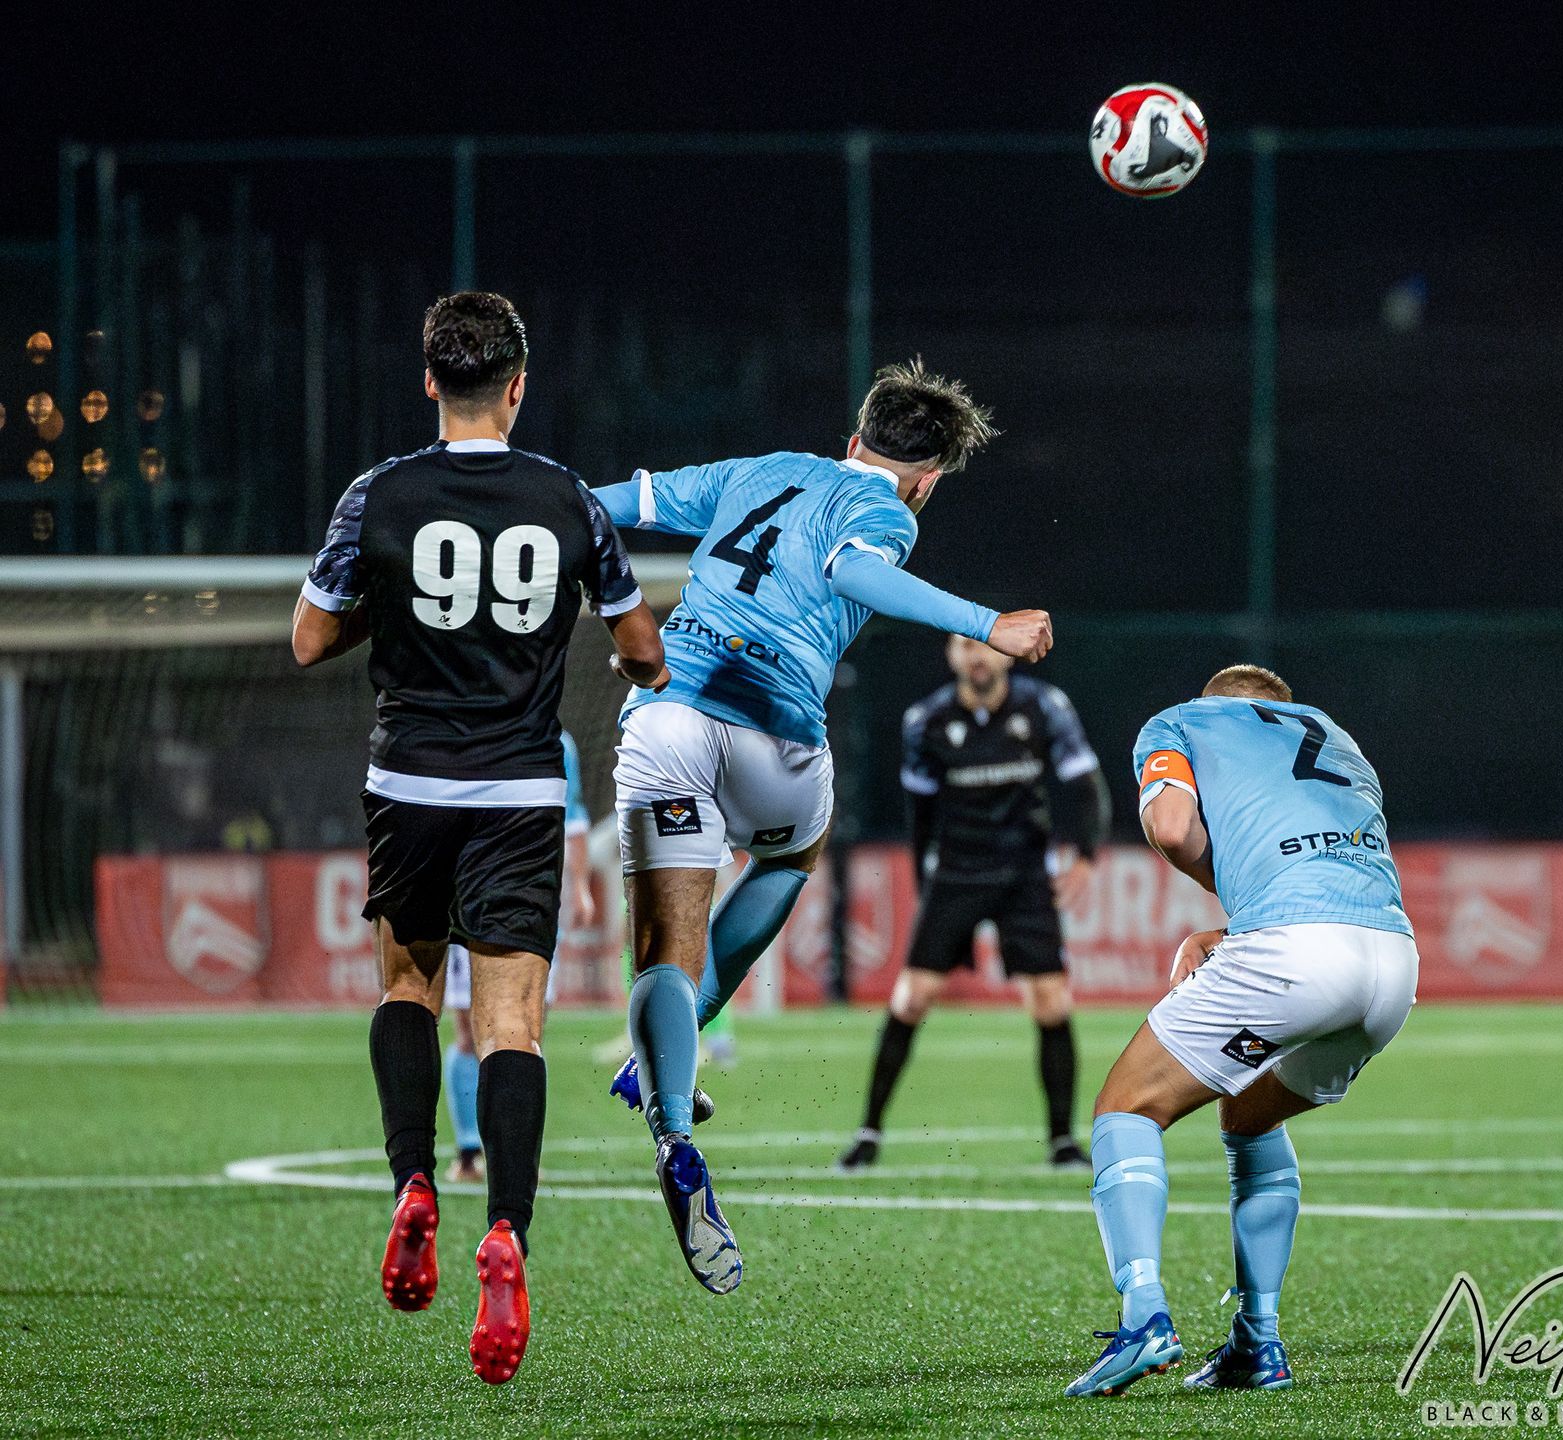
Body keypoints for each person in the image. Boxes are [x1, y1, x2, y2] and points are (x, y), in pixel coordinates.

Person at [593, 358, 1053, 1295]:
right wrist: (987, 622)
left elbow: (609, 506)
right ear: (926, 481)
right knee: (791, 853)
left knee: (662, 952)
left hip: (671, 715)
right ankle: (673, 1052)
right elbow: (853, 570)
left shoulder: (756, 471)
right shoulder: (887, 509)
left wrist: (511, 515)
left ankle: (672, 1127)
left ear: (852, 439)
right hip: (779, 741)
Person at [291, 291, 667, 1384]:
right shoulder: (566, 498)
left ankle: (415, 1182)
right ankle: (507, 1230)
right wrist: (628, 659)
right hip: (518, 791)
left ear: (428, 382)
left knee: (409, 989)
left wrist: (392, 607)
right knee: (512, 1025)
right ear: (518, 386)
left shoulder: (378, 492)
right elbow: (643, 648)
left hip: (408, 782)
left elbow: (309, 639)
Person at [1064, 665, 1418, 1398]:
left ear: (1216, 703)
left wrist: (1230, 902)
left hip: (1294, 955)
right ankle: (1258, 1341)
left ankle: (1143, 1316)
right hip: (1392, 966)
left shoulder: (1183, 721)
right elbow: (1330, 875)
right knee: (1249, 1115)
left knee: (1127, 1107)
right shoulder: (1338, 738)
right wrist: (1233, 929)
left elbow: (1171, 828)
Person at [840, 634, 1110, 1172]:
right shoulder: (926, 720)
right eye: (965, 646)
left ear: (1007, 653)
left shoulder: (1044, 707)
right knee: (911, 999)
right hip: (957, 873)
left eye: (985, 646)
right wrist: (924, 884)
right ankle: (867, 1134)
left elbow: (1087, 786)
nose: (977, 656)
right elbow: (919, 813)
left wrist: (1084, 854)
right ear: (951, 656)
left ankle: (1062, 1142)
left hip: (1025, 874)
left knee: (1051, 1002)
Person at [441, 729, 595, 1184]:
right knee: (469, 1032)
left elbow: (573, 816)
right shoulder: (463, 729)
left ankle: (513, 1155)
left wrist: (580, 886)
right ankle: (469, 1152)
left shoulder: (556, 742)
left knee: (525, 1033)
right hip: (469, 895)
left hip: (533, 900)